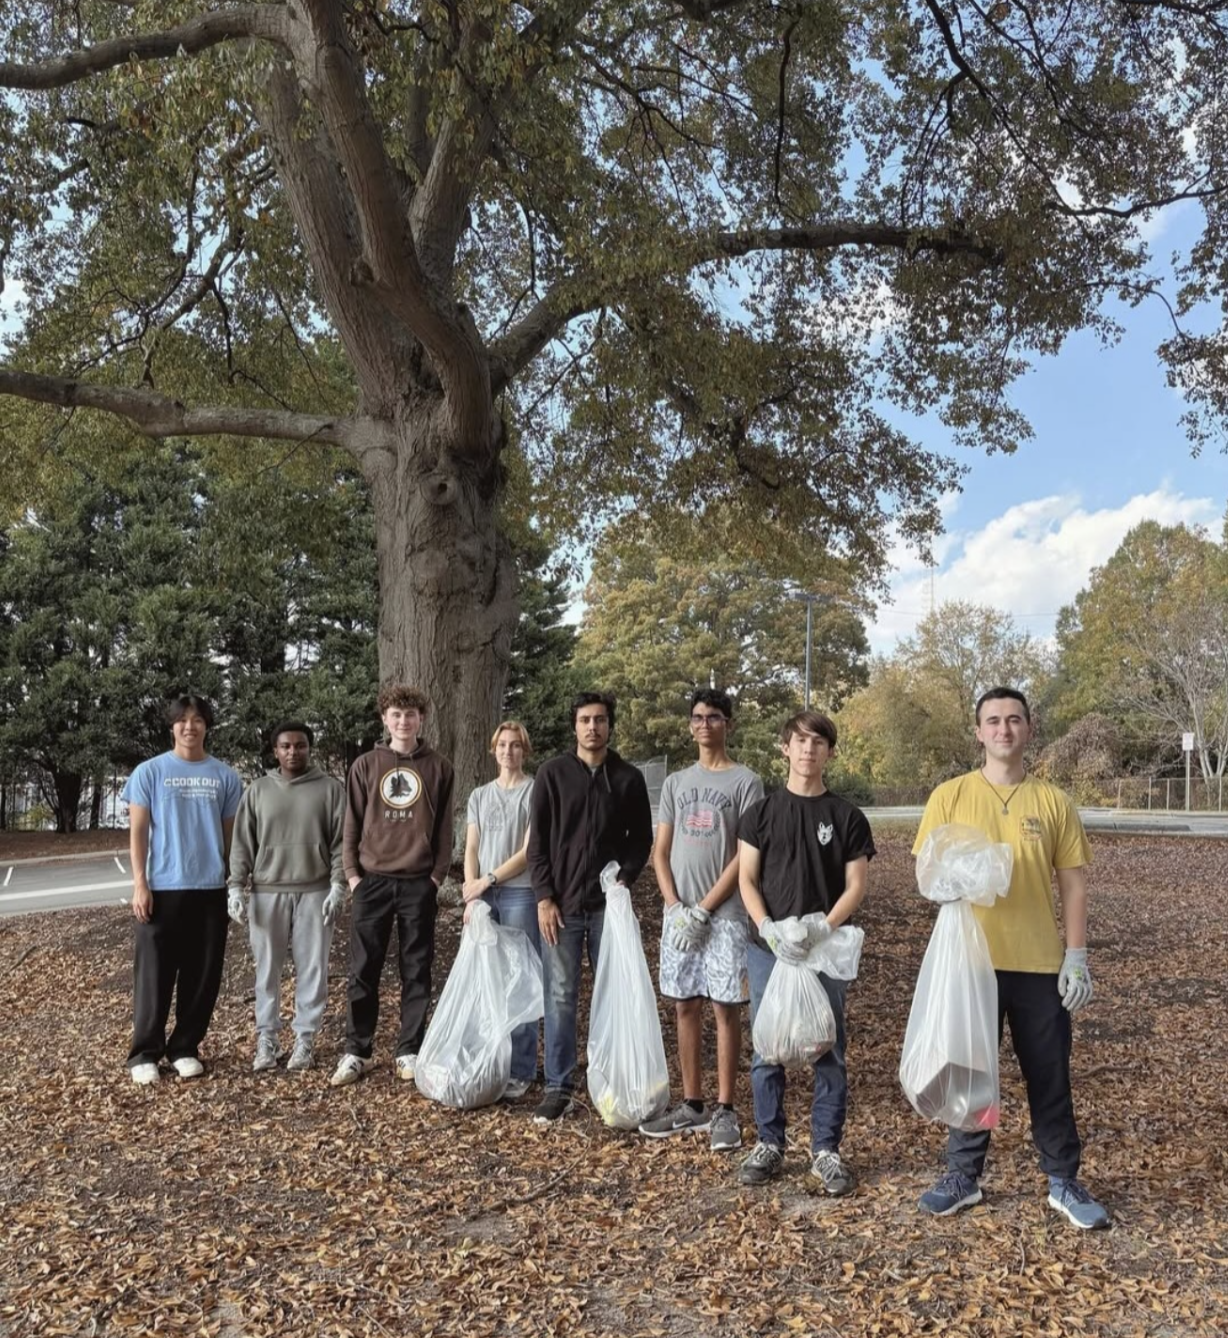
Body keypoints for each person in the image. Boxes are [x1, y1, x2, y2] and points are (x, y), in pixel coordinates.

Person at [912, 687, 1108, 1230]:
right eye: (993, 720)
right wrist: (957, 880)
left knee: (1049, 1074)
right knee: (969, 1072)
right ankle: (963, 1176)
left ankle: (1063, 1179)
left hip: (1039, 964)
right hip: (969, 964)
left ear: (1029, 729)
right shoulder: (950, 796)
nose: (1004, 729)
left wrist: (1076, 956)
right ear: (978, 731)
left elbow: (1073, 885)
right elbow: (926, 873)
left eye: (1014, 719)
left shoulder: (1052, 801)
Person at [737, 710, 874, 1194]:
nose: (808, 750)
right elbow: (746, 879)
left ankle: (826, 1150)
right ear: (785, 748)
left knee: (828, 1046)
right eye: (799, 741)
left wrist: (823, 926)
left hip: (823, 951)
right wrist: (767, 927)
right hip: (769, 950)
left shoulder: (846, 817)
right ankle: (769, 1142)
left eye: (818, 742)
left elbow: (856, 885)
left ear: (829, 752)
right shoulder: (760, 814)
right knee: (767, 1048)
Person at [639, 689, 764, 1152]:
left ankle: (726, 1108)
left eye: (713, 717)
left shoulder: (746, 782)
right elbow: (660, 851)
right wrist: (674, 906)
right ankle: (693, 1104)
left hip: (725, 916)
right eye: (697, 717)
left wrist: (705, 908)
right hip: (680, 917)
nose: (704, 724)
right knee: (685, 1005)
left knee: (725, 1008)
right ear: (689, 725)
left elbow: (743, 856)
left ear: (728, 723)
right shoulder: (676, 783)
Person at [527, 691, 653, 1123]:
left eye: (600, 719)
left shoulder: (628, 778)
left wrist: (625, 877)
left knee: (612, 991)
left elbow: (642, 838)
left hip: (606, 908)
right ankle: (559, 1085)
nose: (592, 727)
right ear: (575, 726)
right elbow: (537, 842)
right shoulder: (552, 774)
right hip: (560, 905)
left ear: (609, 725)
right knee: (560, 995)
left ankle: (613, 1077)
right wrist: (544, 897)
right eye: (585, 720)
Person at [330, 685, 455, 1088]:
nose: (403, 721)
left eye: (411, 714)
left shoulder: (439, 767)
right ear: (385, 719)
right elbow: (351, 822)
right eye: (396, 715)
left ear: (422, 719)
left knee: (416, 969)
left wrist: (436, 877)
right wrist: (353, 876)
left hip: (419, 882)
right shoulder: (366, 765)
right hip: (372, 882)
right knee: (363, 969)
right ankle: (357, 1051)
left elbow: (445, 829)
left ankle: (408, 1050)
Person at [124, 693, 243, 1085]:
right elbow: (138, 832)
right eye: (182, 720)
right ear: (172, 726)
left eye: (197, 720)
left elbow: (230, 839)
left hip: (209, 888)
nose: (189, 727)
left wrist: (233, 883)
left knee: (202, 973)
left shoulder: (225, 777)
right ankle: (145, 1053)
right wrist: (140, 883)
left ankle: (185, 1047)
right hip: (162, 887)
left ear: (207, 726)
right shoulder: (150, 772)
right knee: (154, 974)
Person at [227, 721, 346, 1073]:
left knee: (313, 968)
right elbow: (242, 843)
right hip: (267, 891)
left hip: (315, 890)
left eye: (300, 745)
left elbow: (341, 842)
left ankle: (304, 1040)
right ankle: (267, 1039)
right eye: (286, 746)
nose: (293, 752)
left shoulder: (330, 789)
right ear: (275, 751)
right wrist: (235, 886)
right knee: (267, 970)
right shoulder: (258, 791)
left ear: (310, 748)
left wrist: (338, 885)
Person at [461, 720, 539, 1101]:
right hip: (484, 897)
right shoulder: (480, 795)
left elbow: (528, 852)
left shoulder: (534, 791)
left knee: (519, 978)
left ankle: (521, 1067)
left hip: (519, 894)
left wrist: (488, 879)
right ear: (493, 750)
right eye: (503, 745)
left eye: (515, 745)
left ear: (525, 750)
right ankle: (489, 1059)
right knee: (485, 977)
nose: (508, 751)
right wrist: (472, 891)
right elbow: (471, 848)